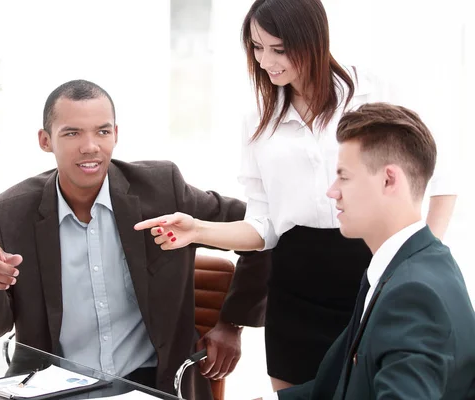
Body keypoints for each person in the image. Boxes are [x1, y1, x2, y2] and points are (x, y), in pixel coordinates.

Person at [134, 0, 457, 391]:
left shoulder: (373, 93)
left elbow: (442, 178)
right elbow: (263, 225)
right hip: (295, 285)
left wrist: (420, 256)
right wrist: (196, 230)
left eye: (279, 49)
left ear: (313, 39)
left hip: (370, 271)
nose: (267, 61)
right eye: (256, 47)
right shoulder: (258, 118)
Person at [0, 79, 269, 400]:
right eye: (72, 133)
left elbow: (259, 227)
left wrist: (233, 323)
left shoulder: (163, 189)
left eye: (102, 131)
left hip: (152, 386)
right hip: (53, 388)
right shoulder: (12, 213)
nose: (90, 146)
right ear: (45, 140)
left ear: (116, 135)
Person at [257, 102, 475, 399]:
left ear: (389, 179)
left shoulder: (413, 294)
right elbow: (341, 386)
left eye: (344, 176)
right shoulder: (403, 267)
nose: (332, 191)